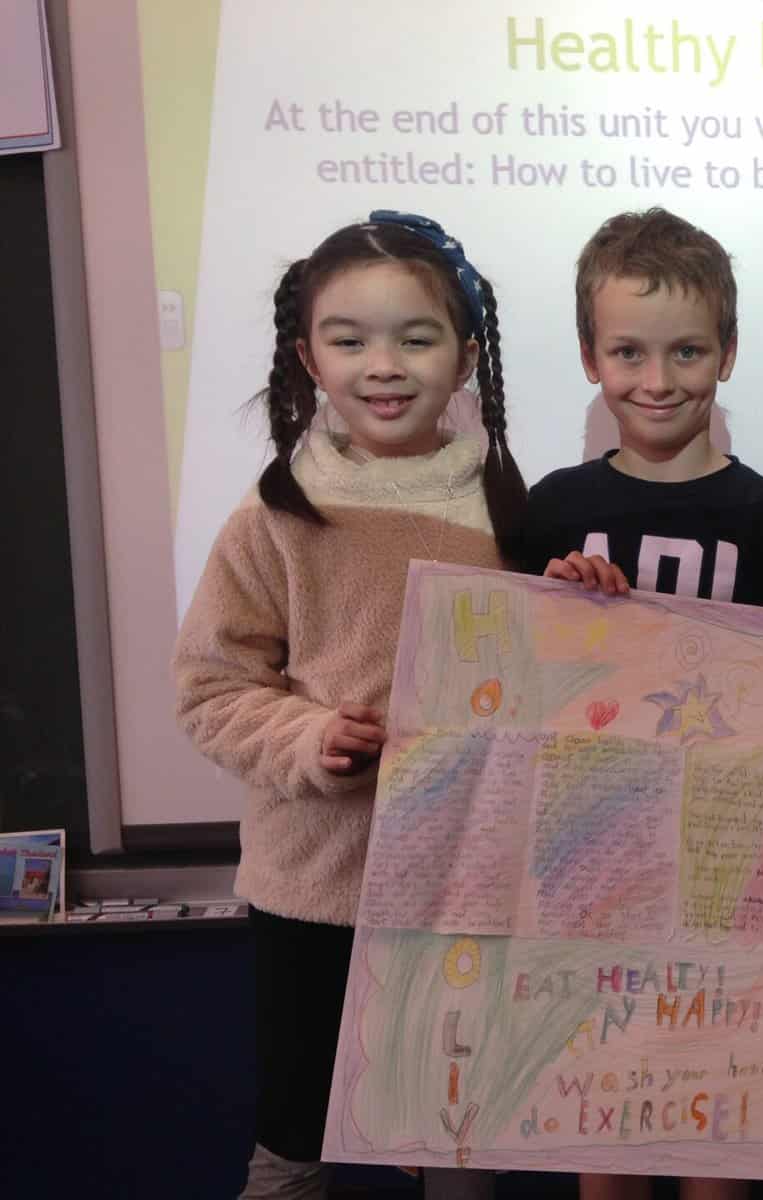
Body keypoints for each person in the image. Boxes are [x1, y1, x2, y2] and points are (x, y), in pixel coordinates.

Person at [173, 212, 525, 1200]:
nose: (384, 366)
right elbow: (209, 687)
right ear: (307, 356)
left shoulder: (509, 508)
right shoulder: (274, 515)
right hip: (316, 885)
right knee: (296, 1135)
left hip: (467, 890)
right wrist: (309, 738)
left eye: (416, 338)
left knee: (458, 1133)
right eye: (349, 339)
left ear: (465, 356)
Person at [511, 206, 763, 1200]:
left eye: (686, 351)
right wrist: (560, 615)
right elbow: (512, 693)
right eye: (628, 353)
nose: (658, 379)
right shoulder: (551, 509)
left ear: (727, 352)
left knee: (711, 1115)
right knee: (600, 1111)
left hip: (727, 860)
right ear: (589, 357)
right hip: (587, 857)